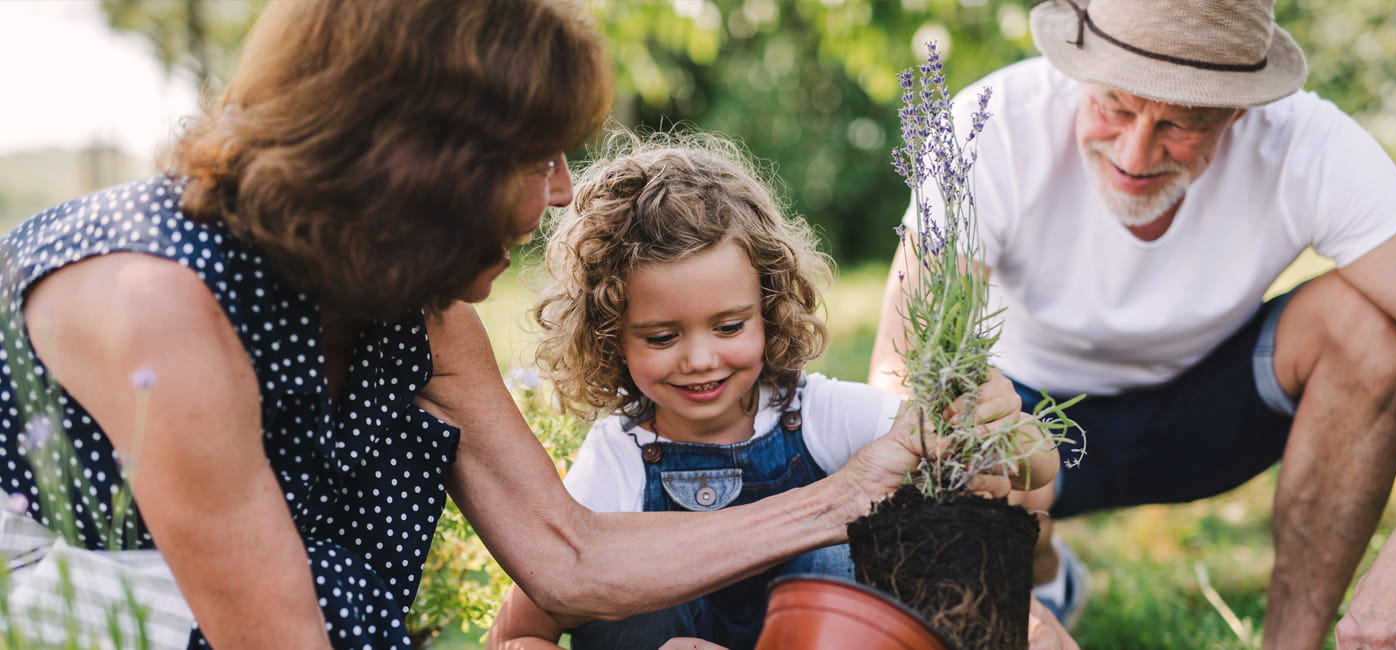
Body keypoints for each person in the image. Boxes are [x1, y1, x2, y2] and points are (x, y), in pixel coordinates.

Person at [0, 2, 942, 648]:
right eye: (538, 156)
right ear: (418, 168)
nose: (567, 190)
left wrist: (846, 493)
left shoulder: (417, 305)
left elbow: (566, 556)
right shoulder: (166, 311)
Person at [866, 0, 1396, 648]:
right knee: (948, 427)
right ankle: (1044, 571)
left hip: (1207, 413)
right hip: (1031, 427)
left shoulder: (1307, 142)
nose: (1135, 154)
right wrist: (1016, 615)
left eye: (1181, 122)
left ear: (1240, 108)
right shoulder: (991, 127)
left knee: (1370, 326)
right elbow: (900, 383)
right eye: (1114, 104)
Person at [486, 134, 1063, 650]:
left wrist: (1002, 425)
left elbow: (1034, 472)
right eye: (662, 336)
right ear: (610, 336)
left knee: (840, 554)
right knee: (618, 585)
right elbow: (524, 630)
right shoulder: (619, 459)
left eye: (730, 326)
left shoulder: (820, 415)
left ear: (769, 310)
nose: (700, 358)